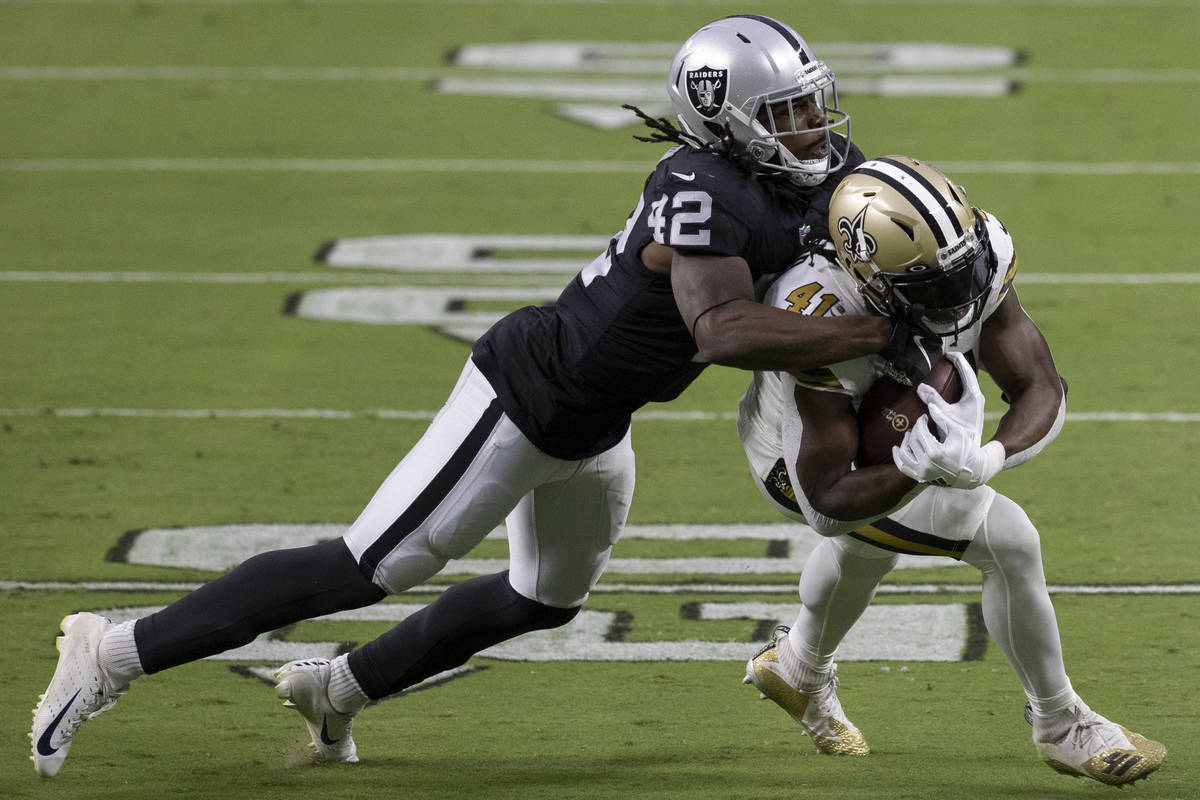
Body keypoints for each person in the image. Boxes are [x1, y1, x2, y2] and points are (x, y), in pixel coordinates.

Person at [29, 15, 939, 776]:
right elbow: (722, 331)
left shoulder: (814, 169)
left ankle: (338, 689)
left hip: (599, 420)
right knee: (366, 567)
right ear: (726, 121)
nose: (815, 125)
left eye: (814, 101)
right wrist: (869, 334)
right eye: (787, 110)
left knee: (544, 598)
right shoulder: (697, 186)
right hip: (527, 394)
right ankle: (110, 652)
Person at [736, 155, 1166, 785]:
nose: (959, 302)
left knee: (872, 550)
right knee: (1006, 538)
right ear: (866, 274)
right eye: (931, 290)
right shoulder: (820, 307)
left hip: (872, 432)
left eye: (962, 276)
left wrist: (984, 459)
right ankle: (1061, 722)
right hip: (795, 457)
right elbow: (826, 501)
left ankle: (797, 667)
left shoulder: (972, 251)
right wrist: (918, 471)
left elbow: (1040, 385)